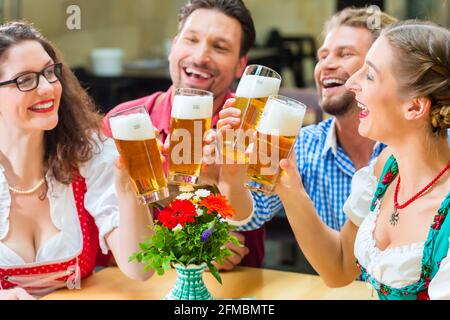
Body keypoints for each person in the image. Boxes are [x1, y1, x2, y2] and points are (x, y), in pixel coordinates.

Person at [274, 20, 450, 299]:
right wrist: (289, 187)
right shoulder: (384, 169)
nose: (351, 83)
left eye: (369, 75)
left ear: (414, 106)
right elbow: (339, 268)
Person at [103, 0, 264, 270]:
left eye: (220, 47)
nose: (201, 56)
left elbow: (255, 215)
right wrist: (189, 244)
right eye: (191, 40)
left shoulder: (253, 129)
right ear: (174, 46)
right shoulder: (121, 123)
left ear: (240, 65)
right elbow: (101, 227)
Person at [0, 22, 155, 300]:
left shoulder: (90, 153)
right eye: (25, 79)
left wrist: (128, 186)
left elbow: (140, 267)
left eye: (49, 72)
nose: (48, 88)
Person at [214, 8, 397, 232]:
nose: (326, 65)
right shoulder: (303, 145)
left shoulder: (416, 145)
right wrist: (231, 175)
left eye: (345, 54)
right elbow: (247, 217)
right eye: (322, 56)